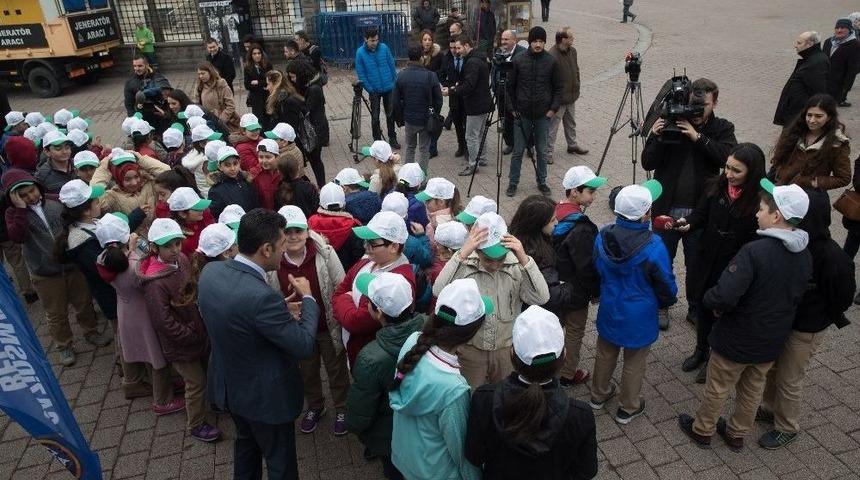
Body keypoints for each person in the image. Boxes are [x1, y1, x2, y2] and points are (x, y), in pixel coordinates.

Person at [678, 180, 812, 452]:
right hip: (770, 339)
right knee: (752, 388)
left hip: (737, 336)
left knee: (718, 385)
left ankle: (703, 429)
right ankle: (736, 434)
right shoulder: (804, 254)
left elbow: (724, 295)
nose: (756, 214)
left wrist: (710, 300)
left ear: (776, 216)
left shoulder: (754, 251)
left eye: (761, 209)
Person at [199, 209, 319, 479]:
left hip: (231, 389)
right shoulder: (262, 298)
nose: (284, 249)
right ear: (266, 249)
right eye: (281, 243)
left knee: (246, 448)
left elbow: (235, 315)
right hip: (266, 399)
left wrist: (277, 314)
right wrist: (309, 298)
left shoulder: (211, 272)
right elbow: (303, 345)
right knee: (281, 464)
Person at [756, 190, 854, 449]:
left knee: (789, 377)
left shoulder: (832, 257)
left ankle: (787, 426)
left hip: (806, 328)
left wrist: (819, 315)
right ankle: (769, 408)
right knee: (774, 369)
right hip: (786, 320)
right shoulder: (795, 241)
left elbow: (843, 296)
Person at [641, 77, 737, 329]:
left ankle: (695, 307)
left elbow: (727, 158)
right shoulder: (671, 121)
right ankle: (662, 304)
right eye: (693, 104)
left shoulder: (722, 128)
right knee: (662, 260)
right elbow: (647, 162)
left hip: (700, 213)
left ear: (714, 103)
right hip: (666, 208)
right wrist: (656, 136)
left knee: (697, 263)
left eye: (702, 106)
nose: (696, 111)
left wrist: (698, 137)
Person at [465, 305, 598, 479]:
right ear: (564, 356)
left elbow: (474, 455)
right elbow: (586, 470)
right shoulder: (580, 415)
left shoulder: (484, 399)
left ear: (512, 354)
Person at [675, 143, 767, 383]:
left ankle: (714, 361)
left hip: (734, 266)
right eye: (727, 167)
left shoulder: (760, 200)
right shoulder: (715, 186)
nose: (729, 174)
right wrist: (688, 222)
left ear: (752, 172)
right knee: (703, 307)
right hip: (706, 260)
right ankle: (700, 350)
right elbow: (701, 214)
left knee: (723, 315)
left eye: (737, 170)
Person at [590, 180, 678, 424]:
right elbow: (666, 283)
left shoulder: (602, 236)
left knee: (605, 353)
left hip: (610, 306)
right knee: (634, 361)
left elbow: (596, 266)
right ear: (645, 214)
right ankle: (628, 407)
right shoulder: (654, 245)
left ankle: (598, 395)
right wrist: (667, 300)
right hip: (640, 314)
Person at [2, 169, 109, 366]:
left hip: (72, 265)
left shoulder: (55, 201)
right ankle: (64, 344)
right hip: (45, 273)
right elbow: (17, 237)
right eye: (23, 195)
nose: (30, 197)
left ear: (37, 186)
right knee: (56, 312)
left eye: (32, 191)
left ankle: (91, 331)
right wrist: (20, 210)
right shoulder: (13, 214)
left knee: (83, 302)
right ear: (14, 198)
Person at [434, 211, 549, 387]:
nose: (495, 265)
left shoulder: (516, 267)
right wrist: (461, 255)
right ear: (476, 250)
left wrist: (525, 259)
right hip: (471, 349)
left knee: (504, 393)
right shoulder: (465, 265)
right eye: (488, 259)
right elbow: (438, 291)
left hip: (505, 348)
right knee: (471, 393)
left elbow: (541, 297)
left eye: (500, 258)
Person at [389, 278, 489, 480]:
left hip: (403, 459)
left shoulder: (412, 341)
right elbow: (460, 450)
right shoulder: (454, 389)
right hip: (436, 473)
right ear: (471, 334)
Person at [267, 206, 350, 437]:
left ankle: (342, 407)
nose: (293, 236)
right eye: (287, 231)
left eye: (298, 230)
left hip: (326, 325)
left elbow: (341, 284)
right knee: (307, 371)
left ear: (307, 231)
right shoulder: (273, 261)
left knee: (336, 369)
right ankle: (315, 405)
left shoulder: (325, 253)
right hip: (298, 329)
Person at [95, 213, 184, 410]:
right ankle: (163, 401)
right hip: (144, 314)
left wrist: (130, 249)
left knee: (141, 351)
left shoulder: (103, 258)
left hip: (126, 309)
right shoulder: (134, 264)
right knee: (157, 358)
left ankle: (143, 383)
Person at [346, 272, 425, 480]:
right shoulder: (430, 330)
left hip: (389, 437)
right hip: (425, 430)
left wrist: (358, 430)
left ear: (378, 312)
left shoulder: (370, 358)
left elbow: (360, 410)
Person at [332, 211, 416, 366]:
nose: (365, 247)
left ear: (394, 246)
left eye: (372, 243)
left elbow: (355, 322)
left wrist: (345, 298)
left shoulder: (397, 283)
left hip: (368, 358)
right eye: (365, 241)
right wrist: (344, 299)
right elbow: (340, 290)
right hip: (354, 347)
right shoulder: (368, 260)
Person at [551, 166, 606, 387]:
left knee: (554, 327)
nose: (594, 196)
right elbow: (586, 267)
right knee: (574, 331)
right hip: (575, 291)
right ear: (574, 191)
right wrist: (595, 291)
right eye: (590, 191)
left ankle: (547, 367)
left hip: (552, 286)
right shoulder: (582, 228)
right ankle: (567, 373)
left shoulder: (552, 213)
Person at [506, 27, 563, 197]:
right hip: (521, 114)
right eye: (535, 41)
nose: (538, 44)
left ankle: (542, 181)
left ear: (544, 42)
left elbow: (558, 88)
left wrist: (552, 110)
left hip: (542, 115)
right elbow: (509, 87)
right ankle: (513, 183)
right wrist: (512, 109)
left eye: (541, 41)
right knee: (518, 151)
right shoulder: (519, 60)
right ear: (530, 42)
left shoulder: (551, 62)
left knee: (542, 151)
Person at [770, 94, 851, 191]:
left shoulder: (837, 144)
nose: (812, 120)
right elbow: (778, 160)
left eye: (818, 116)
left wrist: (814, 182)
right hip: (779, 187)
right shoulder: (794, 131)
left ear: (829, 117)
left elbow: (844, 178)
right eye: (809, 115)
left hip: (808, 194)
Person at [443, 36, 493, 176]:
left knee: (471, 136)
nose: (457, 51)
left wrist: (451, 91)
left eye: (459, 48)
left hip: (475, 104)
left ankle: (473, 164)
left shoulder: (472, 62)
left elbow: (469, 85)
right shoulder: (479, 58)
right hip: (484, 102)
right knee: (481, 133)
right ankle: (482, 158)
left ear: (466, 46)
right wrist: (459, 84)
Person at [91, 148, 170, 234]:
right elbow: (94, 195)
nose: (134, 183)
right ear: (118, 179)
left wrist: (141, 159)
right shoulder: (113, 196)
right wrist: (104, 168)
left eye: (136, 176)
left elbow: (167, 172)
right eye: (127, 179)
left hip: (162, 233)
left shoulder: (149, 184)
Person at [394, 45, 443, 173]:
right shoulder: (431, 76)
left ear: (409, 58)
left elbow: (396, 102)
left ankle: (407, 176)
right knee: (424, 149)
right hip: (426, 119)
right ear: (422, 57)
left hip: (409, 118)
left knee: (410, 147)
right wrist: (435, 114)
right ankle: (422, 177)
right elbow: (439, 99)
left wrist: (401, 118)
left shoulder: (401, 75)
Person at [285, 59, 329, 186]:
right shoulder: (310, 85)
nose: (293, 80)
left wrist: (295, 99)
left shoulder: (314, 89)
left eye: (294, 77)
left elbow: (307, 109)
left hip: (315, 130)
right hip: (314, 128)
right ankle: (321, 184)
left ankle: (321, 185)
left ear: (301, 75)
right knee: (315, 160)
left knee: (315, 160)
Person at [355, 28, 401, 149]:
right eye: (372, 40)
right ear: (365, 39)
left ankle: (392, 138)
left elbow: (391, 65)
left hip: (389, 87)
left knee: (390, 115)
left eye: (376, 40)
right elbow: (361, 73)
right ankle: (377, 142)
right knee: (375, 117)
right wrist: (369, 89)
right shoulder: (360, 53)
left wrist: (395, 82)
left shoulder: (384, 48)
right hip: (374, 90)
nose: (375, 42)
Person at [548, 28, 588, 164]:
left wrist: (577, 84)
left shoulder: (573, 51)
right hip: (559, 99)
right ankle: (548, 152)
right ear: (563, 39)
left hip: (571, 96)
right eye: (570, 37)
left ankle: (572, 145)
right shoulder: (552, 55)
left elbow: (576, 70)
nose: (573, 39)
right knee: (553, 127)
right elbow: (549, 80)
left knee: (571, 123)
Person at [773, 31, 830, 127]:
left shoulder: (816, 63)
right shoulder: (811, 59)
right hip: (796, 113)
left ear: (810, 44)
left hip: (799, 116)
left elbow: (817, 92)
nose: (796, 46)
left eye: (799, 43)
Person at [308, 183, 365, 272]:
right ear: (344, 203)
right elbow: (359, 258)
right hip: (348, 275)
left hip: (320, 275)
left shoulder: (310, 225)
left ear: (320, 203)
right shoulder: (355, 227)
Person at [493, 30, 527, 154]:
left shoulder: (522, 53)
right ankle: (510, 143)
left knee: (520, 120)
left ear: (514, 40)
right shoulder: (499, 51)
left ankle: (528, 144)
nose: (503, 42)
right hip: (501, 93)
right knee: (504, 120)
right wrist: (495, 88)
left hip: (515, 94)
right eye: (502, 39)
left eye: (506, 39)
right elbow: (494, 70)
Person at [207, 145, 259, 218]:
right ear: (220, 167)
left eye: (235, 163)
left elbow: (256, 205)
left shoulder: (246, 181)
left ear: (239, 163)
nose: (233, 168)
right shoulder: (216, 190)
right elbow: (216, 215)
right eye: (227, 165)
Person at [439, 36, 468, 158]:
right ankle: (461, 146)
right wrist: (448, 85)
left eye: (455, 47)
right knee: (457, 124)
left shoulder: (466, 58)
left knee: (467, 124)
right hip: (454, 97)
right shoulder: (446, 59)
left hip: (466, 96)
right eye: (451, 48)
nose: (453, 50)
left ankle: (468, 148)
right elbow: (441, 74)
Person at [167, 187, 215, 256]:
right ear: (182, 214)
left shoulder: (205, 215)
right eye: (197, 209)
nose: (202, 210)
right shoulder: (179, 237)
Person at [822, 18, 860, 107]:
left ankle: (841, 99)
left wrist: (846, 88)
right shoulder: (828, 41)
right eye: (837, 28)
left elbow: (852, 69)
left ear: (849, 29)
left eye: (843, 28)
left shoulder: (855, 45)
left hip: (839, 79)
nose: (839, 30)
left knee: (833, 101)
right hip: (825, 77)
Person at [194, 62, 240, 134]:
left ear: (210, 72)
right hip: (207, 123)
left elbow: (231, 105)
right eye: (199, 74)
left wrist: (221, 121)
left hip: (224, 123)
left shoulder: (221, 85)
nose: (201, 76)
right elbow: (197, 104)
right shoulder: (199, 86)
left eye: (203, 73)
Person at [274, 149, 319, 216]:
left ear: (280, 172)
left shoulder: (279, 189)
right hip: (308, 220)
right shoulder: (308, 187)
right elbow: (316, 208)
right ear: (298, 168)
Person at [243, 44, 274, 129]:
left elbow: (271, 81)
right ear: (251, 55)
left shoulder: (267, 65)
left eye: (259, 53)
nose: (257, 55)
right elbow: (247, 85)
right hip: (256, 99)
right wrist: (263, 84)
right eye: (254, 54)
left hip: (267, 97)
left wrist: (257, 82)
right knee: (259, 121)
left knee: (269, 120)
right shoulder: (248, 67)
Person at [252, 137, 282, 210]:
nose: (264, 161)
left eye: (268, 157)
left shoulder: (283, 171)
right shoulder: (255, 175)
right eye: (261, 157)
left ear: (277, 157)